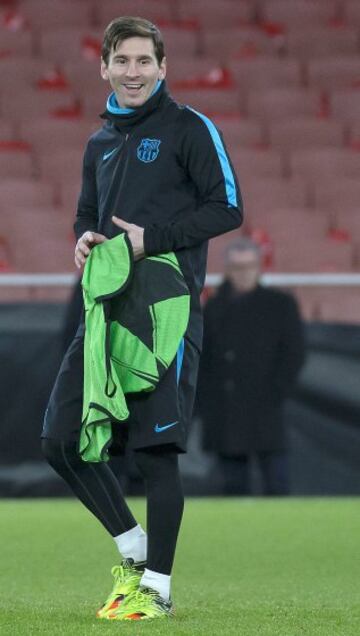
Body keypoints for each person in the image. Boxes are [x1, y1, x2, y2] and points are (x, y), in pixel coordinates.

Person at [41, 16, 243, 621]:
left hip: (165, 314)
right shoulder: (99, 141)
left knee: (156, 455)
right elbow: (85, 213)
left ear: (163, 68)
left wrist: (147, 241)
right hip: (104, 313)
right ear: (103, 67)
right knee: (60, 440)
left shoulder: (189, 128)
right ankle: (134, 549)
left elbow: (228, 209)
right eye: (121, 61)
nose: (133, 72)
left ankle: (156, 587)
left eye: (143, 62)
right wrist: (84, 239)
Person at [197, 238, 305, 496]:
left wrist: (277, 391)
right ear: (227, 269)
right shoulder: (212, 307)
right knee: (233, 484)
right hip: (225, 409)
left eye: (249, 266)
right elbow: (204, 358)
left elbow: (293, 353)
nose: (244, 273)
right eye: (237, 267)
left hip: (266, 406)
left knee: (276, 482)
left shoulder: (280, 305)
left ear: (259, 267)